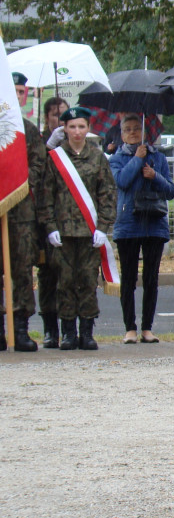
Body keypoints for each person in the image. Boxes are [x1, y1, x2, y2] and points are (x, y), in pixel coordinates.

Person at [39, 106, 117, 350]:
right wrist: (50, 227)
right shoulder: (55, 158)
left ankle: (87, 331)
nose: (76, 131)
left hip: (89, 232)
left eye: (81, 126)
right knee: (65, 282)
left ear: (88, 128)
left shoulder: (97, 157)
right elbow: (46, 196)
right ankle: (68, 332)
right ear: (64, 129)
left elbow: (107, 194)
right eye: (71, 126)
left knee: (86, 280)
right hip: (62, 233)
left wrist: (103, 227)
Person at [109, 113, 174, 344]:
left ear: (144, 132)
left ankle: (147, 328)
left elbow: (170, 190)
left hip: (154, 223)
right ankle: (130, 328)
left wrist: (154, 175)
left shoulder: (158, 158)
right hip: (128, 224)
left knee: (151, 278)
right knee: (128, 278)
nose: (133, 133)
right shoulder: (116, 158)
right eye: (127, 129)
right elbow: (121, 182)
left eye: (137, 128)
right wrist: (137, 160)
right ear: (121, 134)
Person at [0, 74, 45, 352]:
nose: (17, 96)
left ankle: (20, 330)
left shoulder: (28, 131)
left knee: (21, 272)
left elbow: (38, 167)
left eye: (20, 91)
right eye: (11, 91)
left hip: (21, 213)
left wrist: (16, 186)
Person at [37, 95, 70, 346]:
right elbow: (34, 174)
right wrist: (49, 147)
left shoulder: (77, 145)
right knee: (48, 274)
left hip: (71, 218)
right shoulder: (40, 143)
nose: (60, 121)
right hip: (46, 219)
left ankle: (71, 326)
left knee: (70, 275)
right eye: (56, 115)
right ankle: (50, 328)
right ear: (47, 118)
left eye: (64, 115)